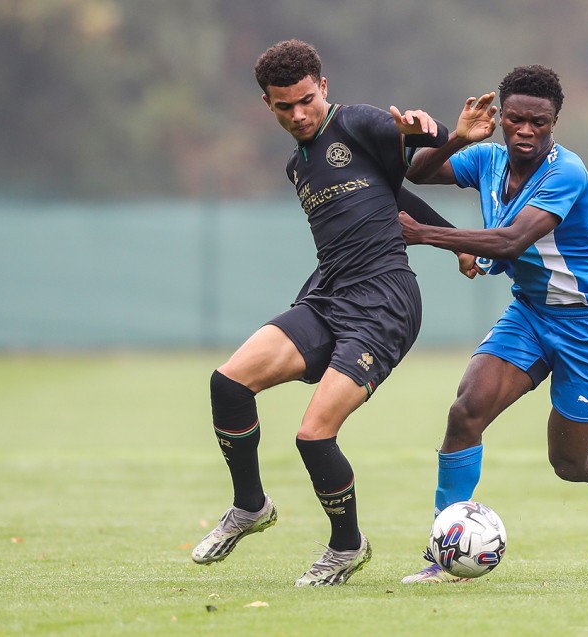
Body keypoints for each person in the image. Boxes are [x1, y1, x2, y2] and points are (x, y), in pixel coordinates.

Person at [191, 39, 454, 587]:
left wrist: (430, 130)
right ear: (268, 104)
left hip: (384, 302)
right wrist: (458, 241)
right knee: (229, 384)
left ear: (324, 87)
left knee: (313, 435)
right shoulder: (297, 164)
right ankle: (250, 505)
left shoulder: (355, 122)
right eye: (284, 106)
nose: (299, 114)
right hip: (328, 295)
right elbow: (392, 198)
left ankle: (346, 545)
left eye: (307, 100)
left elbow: (426, 145)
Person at [397, 65, 588, 583]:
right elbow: (416, 172)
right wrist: (457, 136)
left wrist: (425, 233)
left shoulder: (566, 173)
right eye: (517, 120)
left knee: (571, 464)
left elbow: (509, 242)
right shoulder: (487, 159)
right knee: (465, 412)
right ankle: (443, 550)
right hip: (529, 313)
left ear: (554, 123)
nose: (526, 131)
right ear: (501, 117)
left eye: (539, 123)